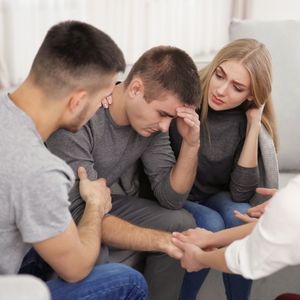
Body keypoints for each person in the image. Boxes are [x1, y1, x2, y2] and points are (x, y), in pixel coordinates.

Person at [0, 20, 148, 300]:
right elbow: (76, 269)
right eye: (103, 98)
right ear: (78, 101)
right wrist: (95, 204)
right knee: (129, 281)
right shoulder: (38, 170)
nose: (103, 106)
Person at [46, 45, 201, 300]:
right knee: (95, 249)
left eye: (171, 118)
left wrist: (191, 144)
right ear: (136, 89)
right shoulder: (81, 116)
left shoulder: (152, 127)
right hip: (62, 212)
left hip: (98, 203)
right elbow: (77, 213)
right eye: (162, 114)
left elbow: (171, 198)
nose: (165, 127)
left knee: (181, 223)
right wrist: (160, 241)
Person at [169, 38, 279, 300]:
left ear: (251, 95)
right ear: (215, 65)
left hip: (213, 196)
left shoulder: (244, 120)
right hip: (173, 194)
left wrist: (253, 126)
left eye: (237, 87)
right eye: (220, 75)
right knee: (212, 224)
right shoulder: (185, 93)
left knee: (240, 214)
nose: (220, 90)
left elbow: (241, 193)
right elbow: (143, 84)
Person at [171, 175, 300, 282]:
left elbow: (246, 259)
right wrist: (211, 239)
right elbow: (281, 227)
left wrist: (199, 257)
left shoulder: (292, 202)